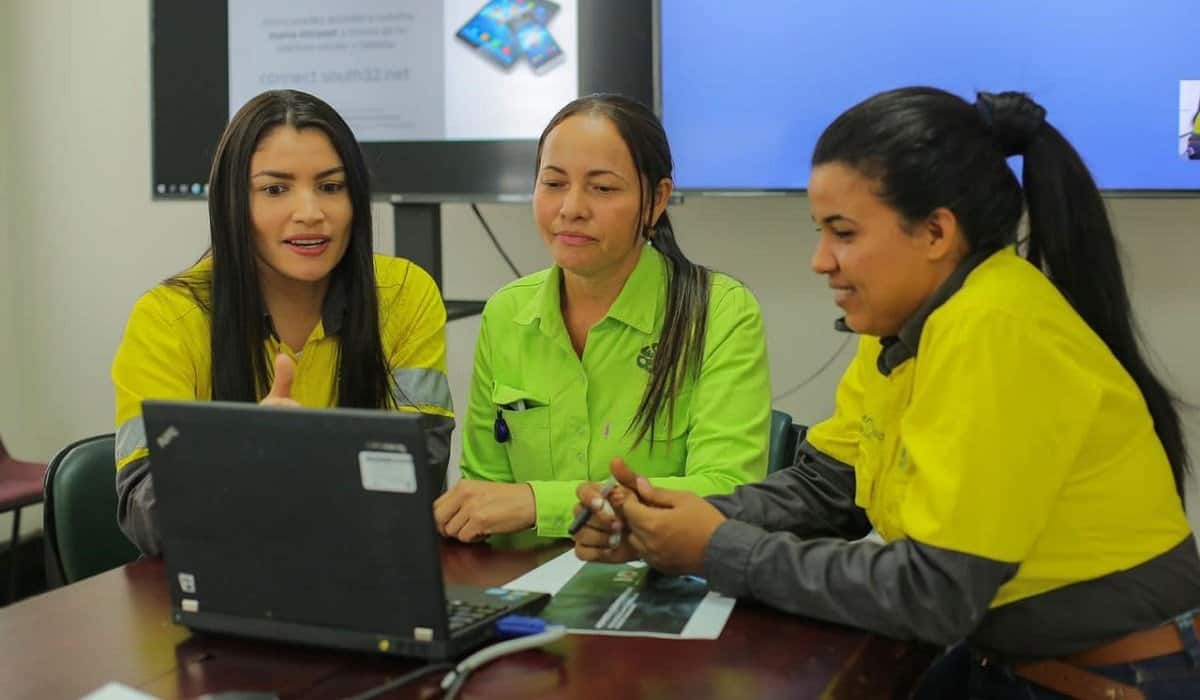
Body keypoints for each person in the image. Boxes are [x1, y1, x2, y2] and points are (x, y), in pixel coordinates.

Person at [574, 88, 1200, 698]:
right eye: (820, 231)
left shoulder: (994, 329)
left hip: (1106, 677)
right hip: (1001, 658)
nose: (821, 260)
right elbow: (828, 487)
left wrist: (715, 546)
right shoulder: (902, 323)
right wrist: (665, 522)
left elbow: (932, 593)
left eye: (843, 233)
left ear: (935, 233)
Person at [113, 90, 454, 556]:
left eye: (331, 187)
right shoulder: (166, 317)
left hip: (364, 571)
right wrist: (247, 461)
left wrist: (299, 467)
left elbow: (421, 471)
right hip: (223, 579)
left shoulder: (403, 294)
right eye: (275, 189)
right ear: (233, 203)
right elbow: (144, 509)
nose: (311, 213)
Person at [434, 94, 771, 542]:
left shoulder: (719, 312)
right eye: (553, 183)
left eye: (603, 188)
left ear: (656, 200)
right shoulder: (507, 312)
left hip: (657, 584)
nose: (571, 208)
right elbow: (486, 490)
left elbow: (725, 491)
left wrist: (541, 503)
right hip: (522, 587)